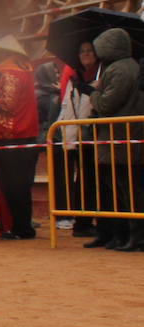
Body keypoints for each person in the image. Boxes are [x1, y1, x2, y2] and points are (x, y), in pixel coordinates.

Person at [85, 28, 144, 251]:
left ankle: (136, 236)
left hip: (120, 137)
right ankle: (125, 235)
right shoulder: (129, 67)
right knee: (126, 190)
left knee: (127, 190)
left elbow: (108, 104)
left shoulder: (120, 70)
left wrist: (93, 94)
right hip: (125, 137)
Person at [0, 36, 39, 240]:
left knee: (12, 183)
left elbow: (7, 105)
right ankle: (23, 224)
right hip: (27, 133)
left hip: (10, 134)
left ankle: (20, 227)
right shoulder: (25, 68)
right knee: (23, 183)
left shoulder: (9, 72)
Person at [56, 41, 99, 240]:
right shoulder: (74, 76)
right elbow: (66, 104)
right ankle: (82, 222)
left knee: (91, 180)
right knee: (83, 179)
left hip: (96, 134)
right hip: (78, 133)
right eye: (82, 51)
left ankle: (87, 221)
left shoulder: (101, 73)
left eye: (89, 51)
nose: (86, 54)